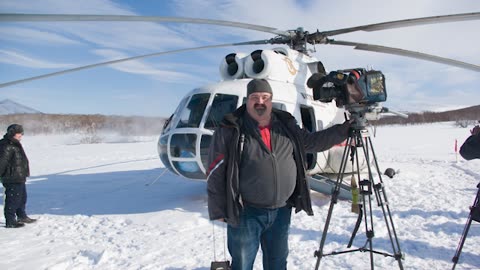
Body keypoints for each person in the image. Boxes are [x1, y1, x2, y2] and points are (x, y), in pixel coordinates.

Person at [207, 79, 351, 269]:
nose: (260, 101)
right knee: (242, 264)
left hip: (281, 211)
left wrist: (345, 130)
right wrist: (218, 208)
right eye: (255, 97)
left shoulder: (285, 124)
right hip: (246, 212)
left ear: (271, 100)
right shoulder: (231, 129)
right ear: (247, 100)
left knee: (277, 263)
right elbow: (215, 170)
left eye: (265, 97)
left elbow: (313, 142)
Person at [0, 124, 36, 228]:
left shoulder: (15, 143)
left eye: (21, 133)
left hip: (19, 176)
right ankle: (10, 221)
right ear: (12, 133)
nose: (21, 135)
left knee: (22, 198)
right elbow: (2, 162)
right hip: (11, 177)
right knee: (13, 199)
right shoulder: (6, 145)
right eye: (19, 133)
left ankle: (21, 216)